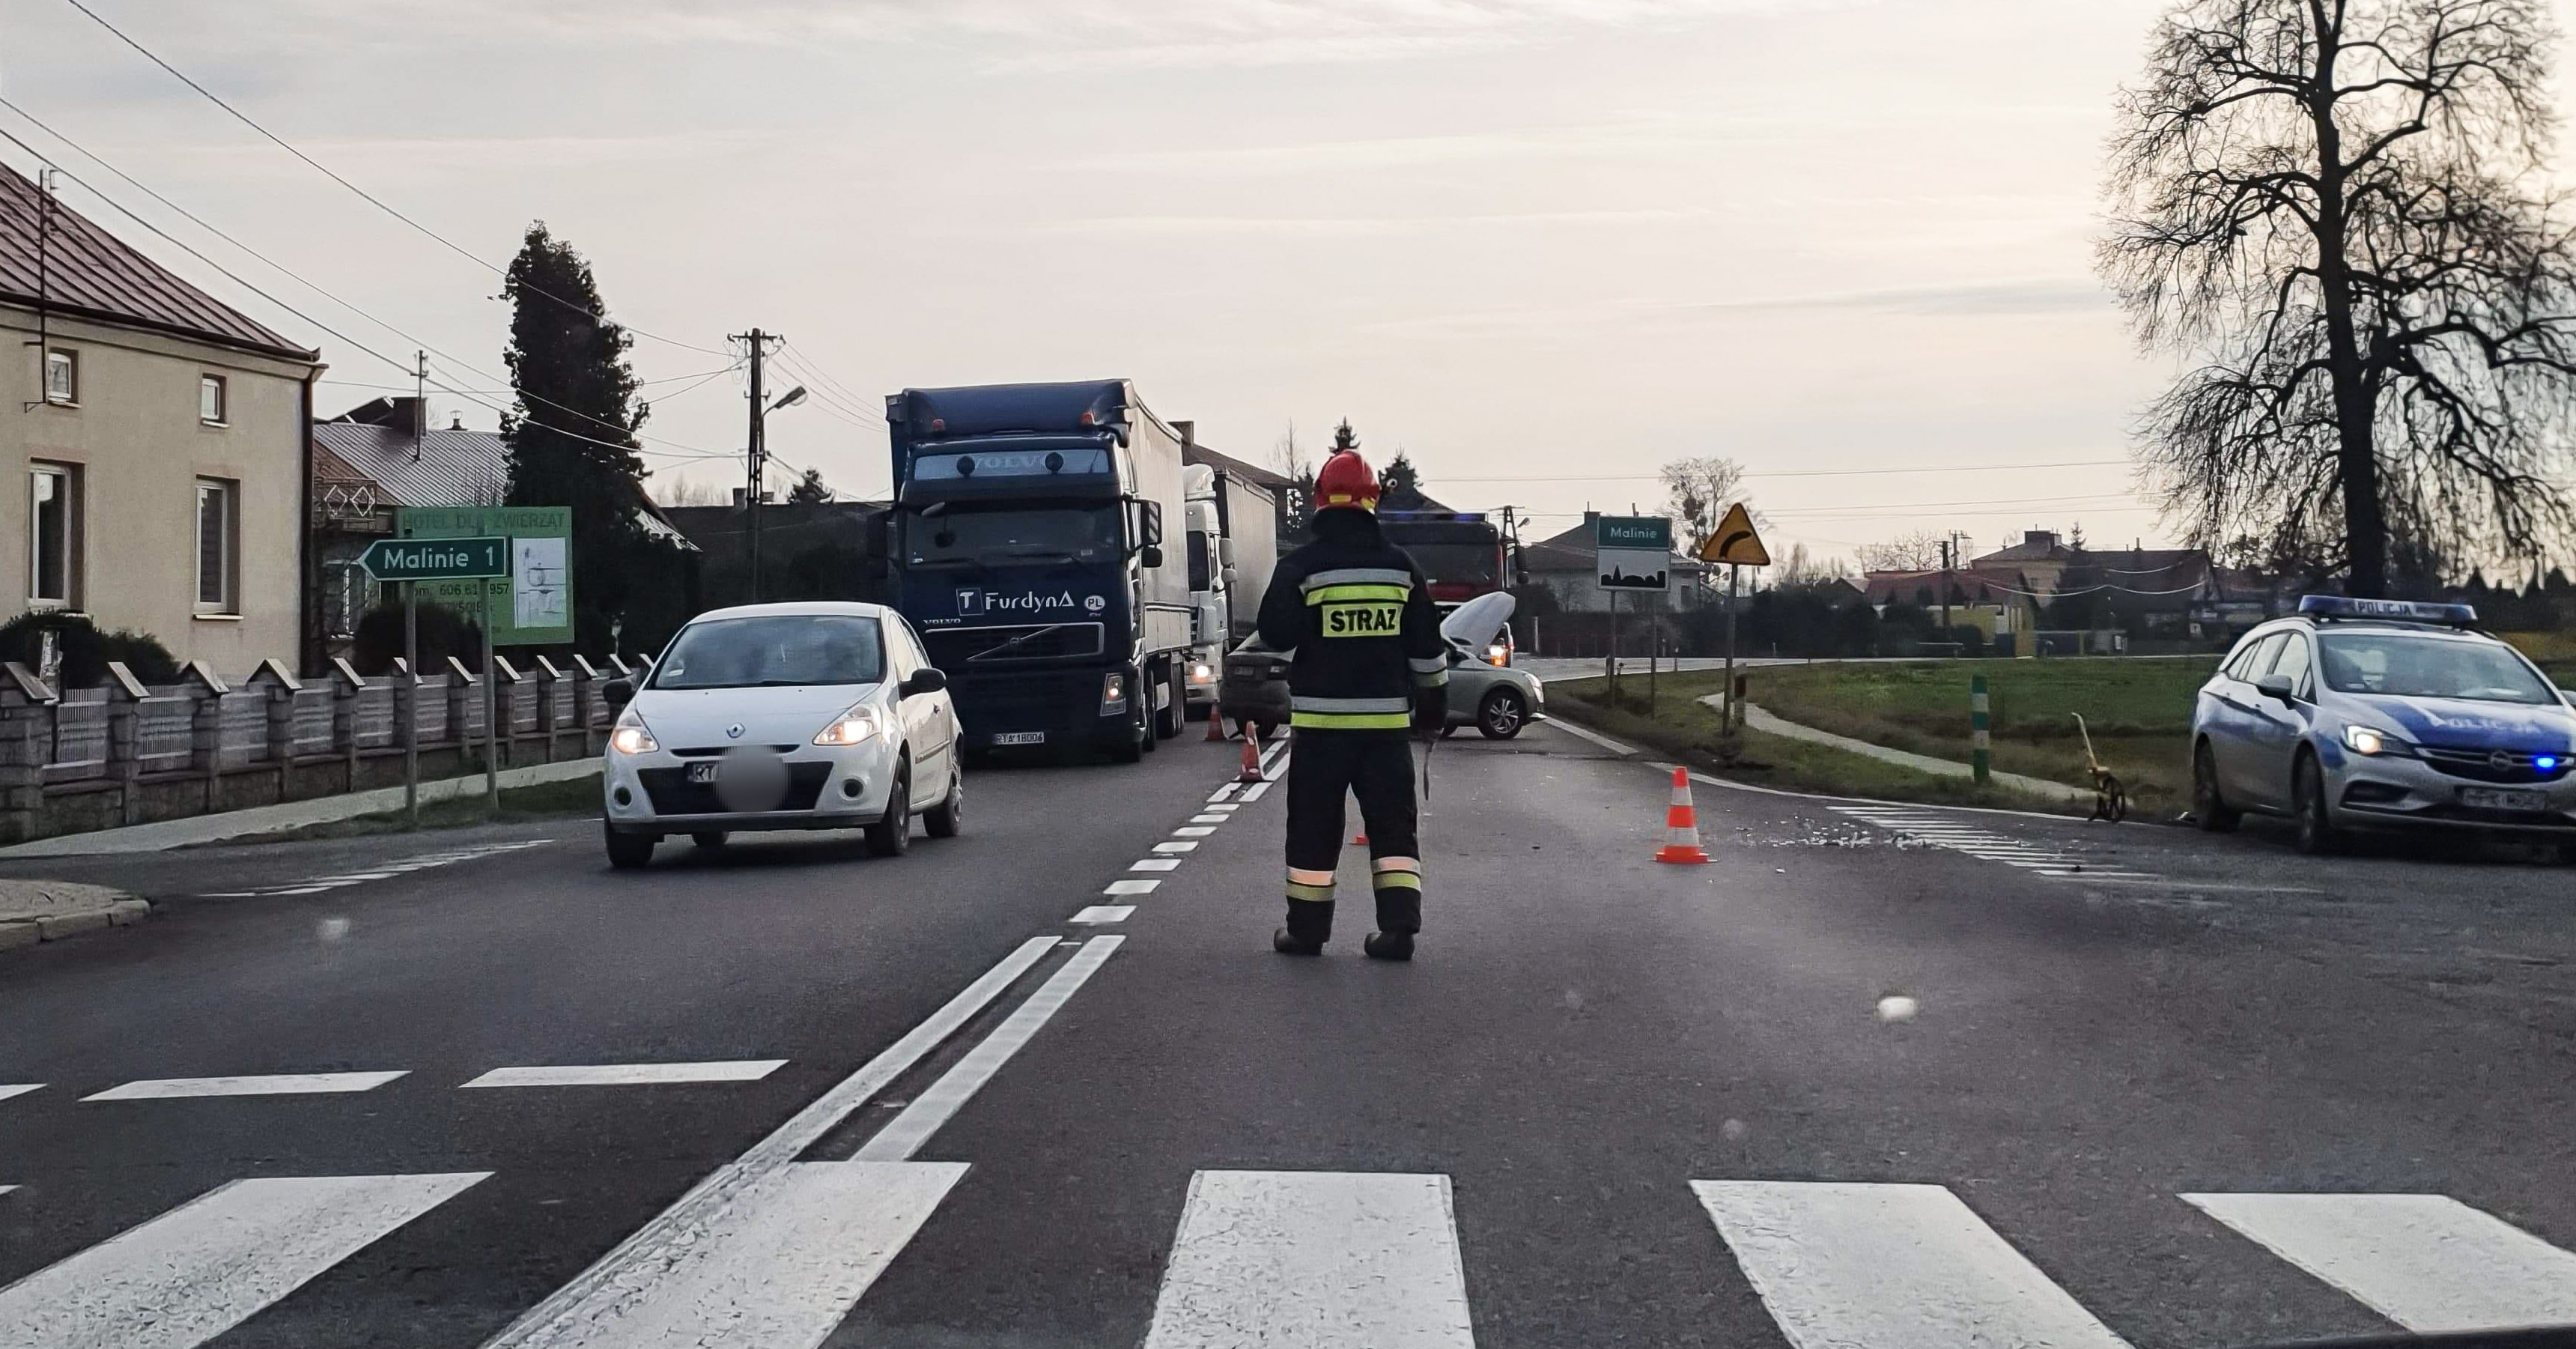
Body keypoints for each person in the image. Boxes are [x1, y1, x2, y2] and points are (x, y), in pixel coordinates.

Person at [1256, 440, 1448, 960]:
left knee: (1314, 831)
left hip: (1320, 731)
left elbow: (1273, 632)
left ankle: (1307, 932)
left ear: (1320, 500)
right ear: (1372, 502)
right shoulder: (1401, 567)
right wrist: (1433, 710)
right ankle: (1400, 930)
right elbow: (1428, 651)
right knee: (1393, 827)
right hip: (1385, 732)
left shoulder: (1303, 566)